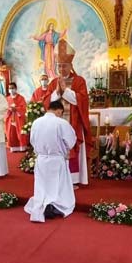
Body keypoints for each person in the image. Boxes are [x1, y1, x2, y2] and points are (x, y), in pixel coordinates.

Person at [44, 40, 92, 188]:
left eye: (64, 66)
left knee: (72, 147)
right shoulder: (53, 82)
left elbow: (82, 100)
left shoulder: (79, 81)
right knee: (58, 149)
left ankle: (73, 180)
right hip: (57, 124)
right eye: (59, 66)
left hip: (74, 122)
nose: (61, 69)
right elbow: (47, 102)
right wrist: (57, 93)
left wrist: (66, 91)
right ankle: (59, 178)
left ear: (71, 66)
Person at [24, 100, 76, 223]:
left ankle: (42, 204)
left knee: (42, 185)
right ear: (59, 110)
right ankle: (54, 206)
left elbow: (32, 140)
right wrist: (65, 150)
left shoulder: (36, 122)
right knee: (58, 186)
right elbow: (70, 141)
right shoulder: (61, 123)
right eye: (61, 113)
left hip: (41, 159)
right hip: (56, 159)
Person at [5, 82, 28, 152]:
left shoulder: (21, 98)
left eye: (13, 88)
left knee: (20, 133)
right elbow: (4, 109)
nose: (11, 90)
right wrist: (9, 109)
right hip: (10, 118)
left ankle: (22, 147)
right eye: (10, 88)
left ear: (16, 88)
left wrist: (16, 109)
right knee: (11, 133)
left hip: (19, 118)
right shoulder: (7, 99)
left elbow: (24, 107)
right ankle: (13, 148)